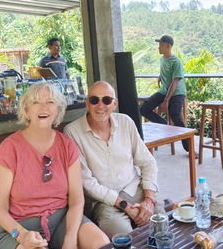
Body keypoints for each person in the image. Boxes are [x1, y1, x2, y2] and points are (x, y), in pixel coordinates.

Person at [0, 82, 109, 249]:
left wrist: (70, 238)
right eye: (36, 102)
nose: (44, 107)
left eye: (51, 102)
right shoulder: (9, 149)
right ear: (26, 110)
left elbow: (76, 199)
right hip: (18, 227)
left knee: (102, 244)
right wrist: (22, 235)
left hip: (61, 220)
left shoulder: (67, 146)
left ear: (58, 110)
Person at [64, 81, 164, 238]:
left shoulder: (126, 122)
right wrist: (126, 207)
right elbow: (86, 182)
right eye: (94, 100)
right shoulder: (72, 132)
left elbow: (147, 162)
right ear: (87, 104)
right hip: (103, 202)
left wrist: (149, 200)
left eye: (106, 100)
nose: (100, 105)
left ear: (114, 104)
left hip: (133, 189)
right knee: (126, 237)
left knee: (161, 221)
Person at [139, 35, 192, 155]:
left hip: (176, 93)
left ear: (168, 46)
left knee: (176, 117)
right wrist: (160, 76)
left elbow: (175, 81)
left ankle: (190, 149)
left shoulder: (176, 61)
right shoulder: (162, 59)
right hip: (164, 90)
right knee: (143, 108)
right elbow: (166, 72)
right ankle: (164, 124)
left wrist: (166, 100)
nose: (159, 48)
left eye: (161, 45)